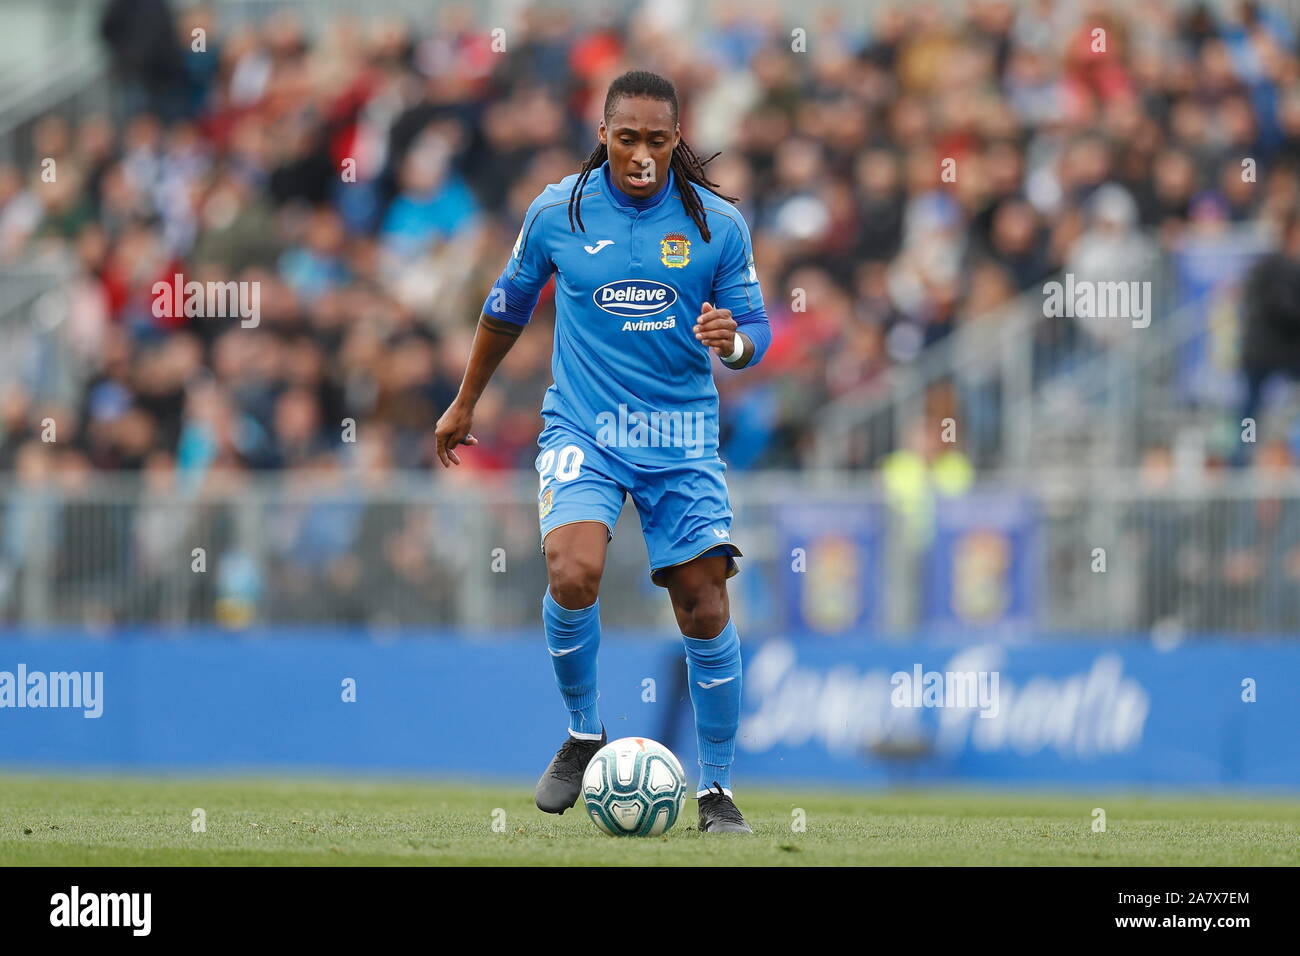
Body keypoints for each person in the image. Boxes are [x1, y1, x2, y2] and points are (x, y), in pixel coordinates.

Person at [434, 70, 770, 833]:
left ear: (676, 138)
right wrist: (464, 400)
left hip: (680, 439)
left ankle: (715, 789)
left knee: (703, 603)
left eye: (657, 139)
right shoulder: (559, 212)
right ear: (603, 135)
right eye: (628, 138)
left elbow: (757, 328)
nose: (643, 154)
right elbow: (504, 308)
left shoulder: (717, 225)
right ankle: (585, 733)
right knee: (573, 568)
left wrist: (739, 342)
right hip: (583, 429)